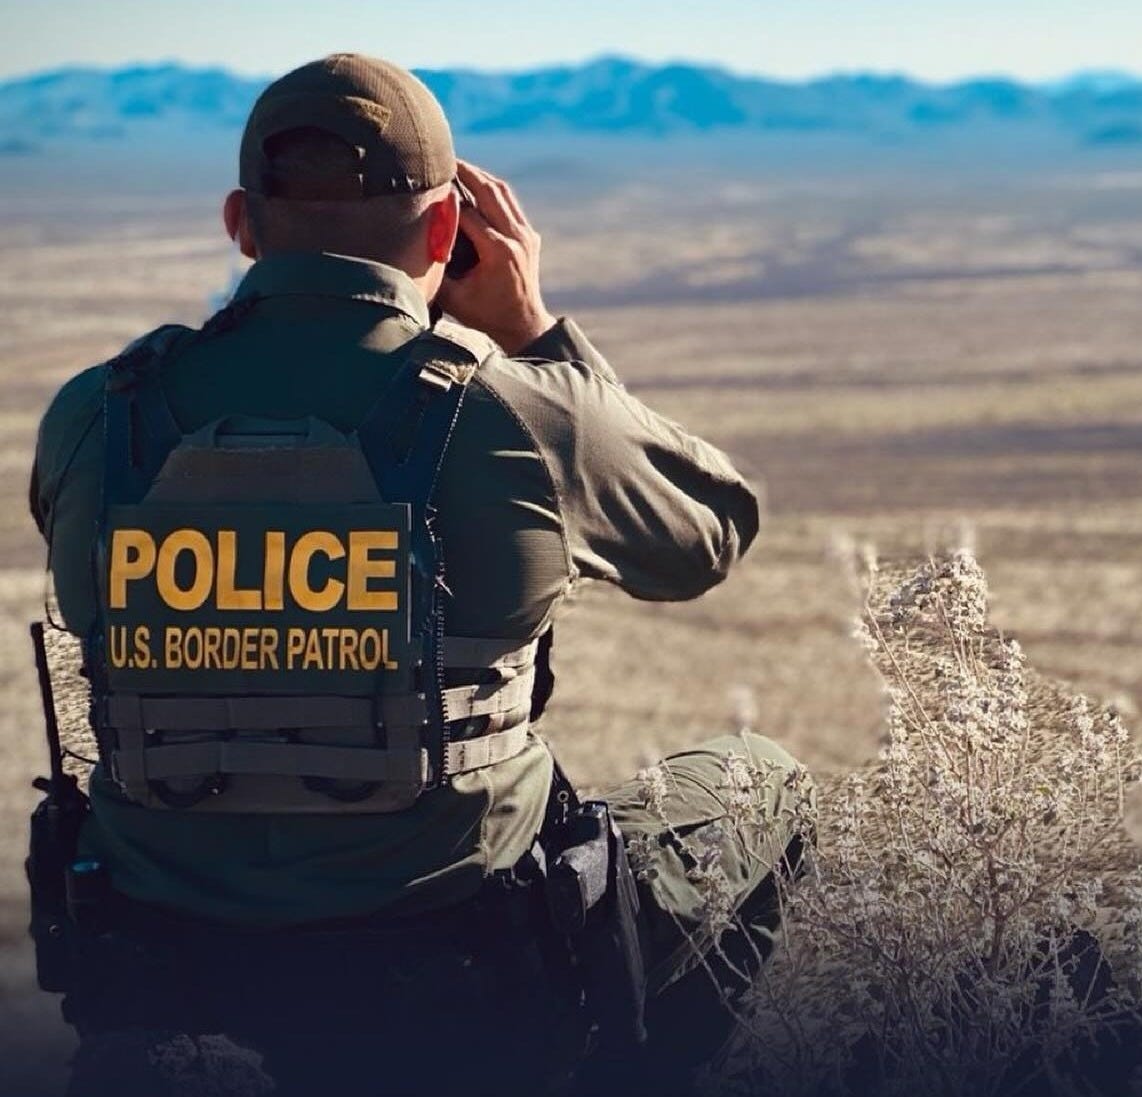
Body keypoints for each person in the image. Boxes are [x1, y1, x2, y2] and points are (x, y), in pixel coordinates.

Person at [29, 53, 811, 1097]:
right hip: (455, 966)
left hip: (160, 961)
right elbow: (707, 530)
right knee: (766, 778)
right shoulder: (511, 409)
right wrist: (534, 334)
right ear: (449, 234)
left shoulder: (99, 411)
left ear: (240, 222)